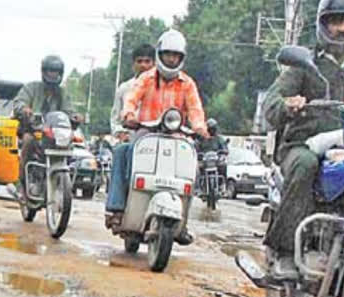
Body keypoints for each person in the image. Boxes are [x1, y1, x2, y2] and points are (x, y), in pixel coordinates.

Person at [262, 0, 344, 280]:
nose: (342, 28)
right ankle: (283, 253)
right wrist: (288, 105)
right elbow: (271, 103)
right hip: (304, 144)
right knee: (305, 165)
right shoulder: (305, 64)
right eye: (336, 21)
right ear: (323, 23)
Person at [105, 29, 209, 244]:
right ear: (160, 55)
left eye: (176, 56)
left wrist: (200, 128)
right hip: (146, 133)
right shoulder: (146, 79)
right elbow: (131, 100)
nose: (172, 59)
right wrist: (129, 115)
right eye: (168, 54)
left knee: (193, 168)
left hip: (177, 137)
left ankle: (183, 222)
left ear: (182, 58)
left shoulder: (187, 83)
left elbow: (195, 110)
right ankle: (116, 209)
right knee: (123, 152)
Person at [13, 55, 82, 184]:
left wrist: (75, 117)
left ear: (60, 74)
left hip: (54, 135)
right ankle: (22, 183)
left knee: (70, 145)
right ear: (44, 72)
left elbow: (69, 111)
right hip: (35, 131)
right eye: (50, 71)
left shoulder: (63, 93)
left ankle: (64, 178)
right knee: (28, 141)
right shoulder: (31, 88)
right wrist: (24, 109)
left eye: (56, 72)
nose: (53, 75)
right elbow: (19, 102)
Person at [110, 44, 156, 140]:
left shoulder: (163, 88)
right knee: (120, 151)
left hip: (157, 139)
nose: (143, 65)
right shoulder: (124, 88)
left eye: (147, 61)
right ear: (133, 64)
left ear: (154, 64)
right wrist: (121, 133)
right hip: (130, 140)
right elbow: (115, 120)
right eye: (139, 61)